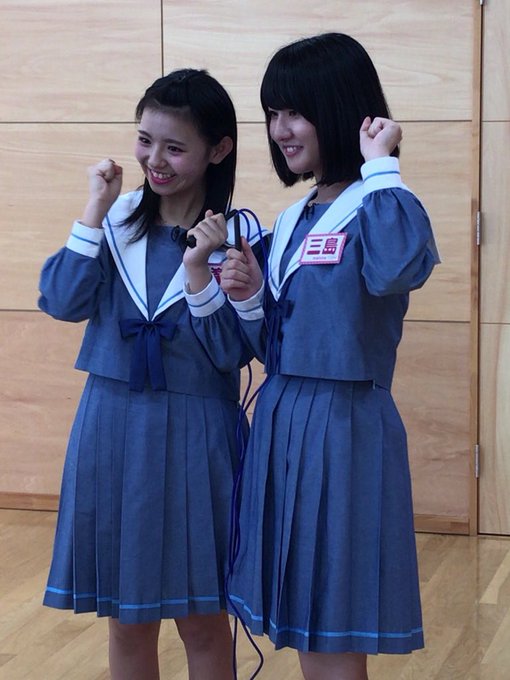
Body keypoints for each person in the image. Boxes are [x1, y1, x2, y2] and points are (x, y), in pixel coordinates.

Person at [218, 33, 440, 680]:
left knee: (334, 614)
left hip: (345, 422)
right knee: (303, 614)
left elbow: (396, 270)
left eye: (296, 112)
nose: (280, 130)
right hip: (282, 415)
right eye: (272, 113)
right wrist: (250, 298)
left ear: (341, 108)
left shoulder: (382, 204)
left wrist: (382, 165)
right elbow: (273, 344)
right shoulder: (291, 220)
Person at [38, 68, 267, 680]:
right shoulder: (113, 221)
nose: (154, 160)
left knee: (203, 618)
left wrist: (200, 274)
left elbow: (235, 353)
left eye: (174, 147)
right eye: (145, 141)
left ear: (218, 150)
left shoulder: (243, 238)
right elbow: (61, 300)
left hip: (199, 431)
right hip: (110, 426)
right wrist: (94, 208)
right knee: (126, 617)